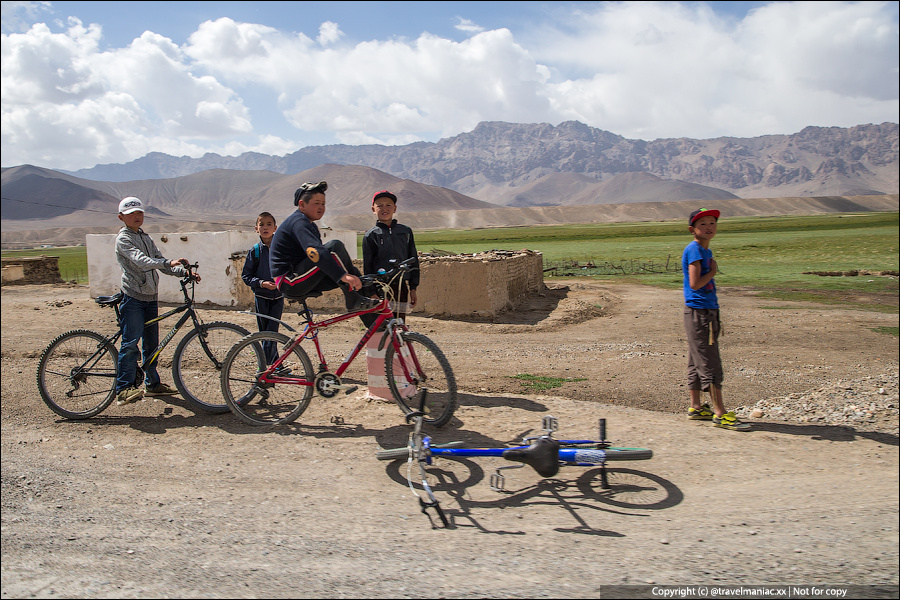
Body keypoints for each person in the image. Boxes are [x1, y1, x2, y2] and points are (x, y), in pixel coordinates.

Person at [113, 196, 198, 406]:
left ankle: (152, 384)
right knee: (131, 343)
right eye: (132, 213)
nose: (137, 216)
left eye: (140, 212)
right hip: (133, 297)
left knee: (152, 345)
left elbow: (160, 263)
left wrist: (183, 272)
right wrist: (168, 261)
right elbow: (142, 262)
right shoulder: (123, 239)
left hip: (150, 298)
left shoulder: (145, 237)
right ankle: (123, 389)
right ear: (121, 217)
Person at [682, 208, 749, 431]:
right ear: (693, 229)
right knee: (709, 362)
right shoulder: (695, 251)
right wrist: (713, 272)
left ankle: (696, 406)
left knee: (696, 360)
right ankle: (719, 413)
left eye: (713, 223)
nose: (709, 227)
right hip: (701, 312)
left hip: (702, 311)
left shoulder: (702, 250)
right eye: (703, 224)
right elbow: (695, 283)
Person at [269, 181, 377, 315]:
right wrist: (343, 276)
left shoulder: (311, 226)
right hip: (289, 281)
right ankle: (355, 301)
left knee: (350, 272)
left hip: (300, 276)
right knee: (334, 247)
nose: (321, 207)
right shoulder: (298, 222)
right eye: (317, 203)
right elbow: (315, 252)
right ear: (302, 205)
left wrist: (350, 276)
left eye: (323, 204)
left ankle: (374, 323)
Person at [362, 190, 420, 321]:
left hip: (401, 286)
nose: (384, 209)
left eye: (388, 205)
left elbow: (414, 261)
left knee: (399, 323)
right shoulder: (371, 235)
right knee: (382, 324)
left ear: (395, 208)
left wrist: (413, 288)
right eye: (380, 205)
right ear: (373, 209)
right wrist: (372, 292)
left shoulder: (405, 232)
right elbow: (368, 266)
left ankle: (399, 342)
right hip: (380, 288)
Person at [241, 211, 284, 368]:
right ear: (256, 228)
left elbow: (288, 269)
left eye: (269, 224)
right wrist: (261, 283)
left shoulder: (281, 249)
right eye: (262, 224)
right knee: (266, 333)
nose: (265, 227)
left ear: (275, 228)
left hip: (278, 297)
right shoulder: (255, 251)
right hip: (261, 297)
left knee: (272, 332)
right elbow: (246, 276)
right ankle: (273, 366)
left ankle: (267, 366)